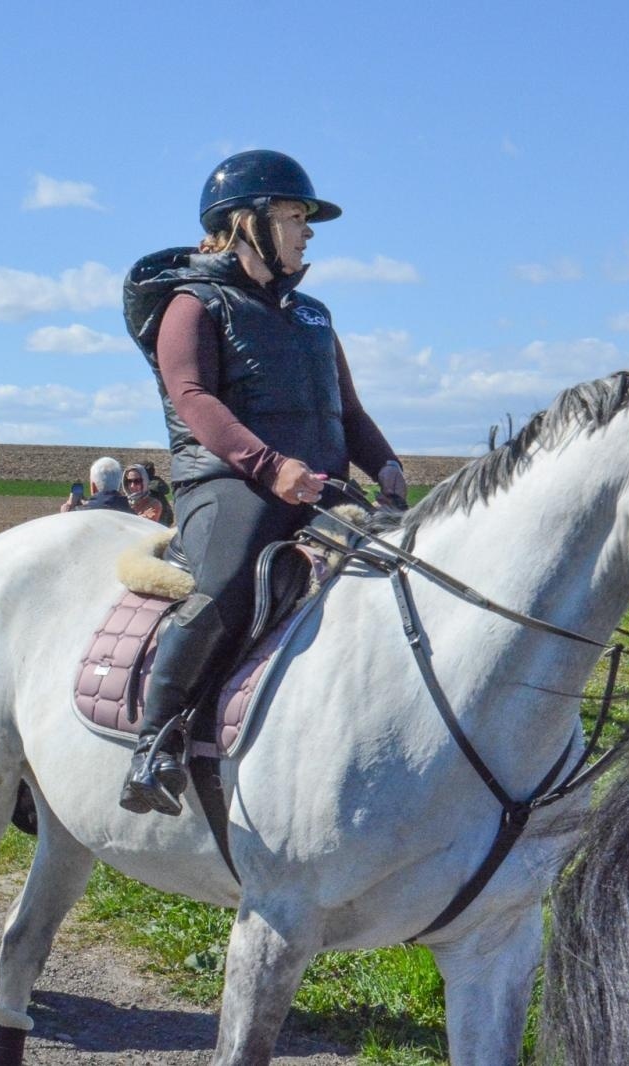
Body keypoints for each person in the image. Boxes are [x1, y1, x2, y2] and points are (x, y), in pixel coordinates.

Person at [118, 149, 408, 815]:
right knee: (226, 579)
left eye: (307, 220)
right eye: (294, 217)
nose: (307, 233)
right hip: (227, 483)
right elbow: (192, 398)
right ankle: (154, 745)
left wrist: (386, 465)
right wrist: (270, 468)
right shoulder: (191, 305)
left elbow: (351, 413)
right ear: (246, 222)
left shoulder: (314, 316)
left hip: (317, 485)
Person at [58, 456, 133, 514]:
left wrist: (65, 515)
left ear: (93, 487)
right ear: (120, 486)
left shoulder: (78, 514)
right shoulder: (134, 513)